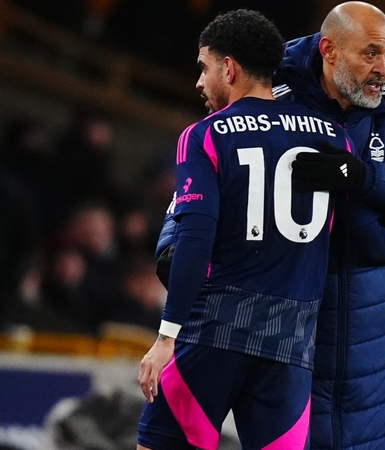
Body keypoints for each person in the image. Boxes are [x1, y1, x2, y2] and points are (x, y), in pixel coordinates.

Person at [136, 10, 349, 450]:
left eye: (204, 67)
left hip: (213, 333)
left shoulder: (205, 136)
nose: (199, 81)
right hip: (291, 348)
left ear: (228, 68)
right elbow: (351, 230)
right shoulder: (333, 138)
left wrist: (166, 336)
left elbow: (194, 239)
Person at [278, 4, 385, 448]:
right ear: (329, 50)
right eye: (371, 53)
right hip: (292, 338)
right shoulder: (272, 104)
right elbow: (211, 170)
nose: (382, 68)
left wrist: (361, 176)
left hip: (372, 351)